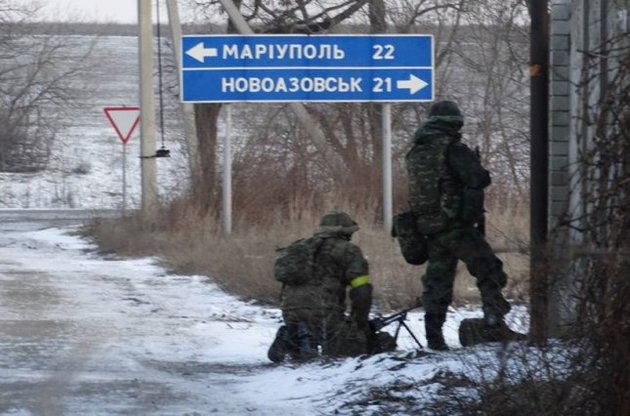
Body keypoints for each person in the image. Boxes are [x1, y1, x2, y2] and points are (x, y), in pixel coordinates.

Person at [405, 100, 511, 350]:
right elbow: (478, 178)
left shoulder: (416, 152)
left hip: (429, 228)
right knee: (488, 269)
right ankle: (493, 323)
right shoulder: (453, 149)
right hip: (455, 226)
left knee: (437, 282)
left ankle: (434, 338)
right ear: (453, 124)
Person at [268, 210, 374, 361]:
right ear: (346, 232)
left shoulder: (302, 246)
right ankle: (307, 339)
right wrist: (360, 324)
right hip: (324, 312)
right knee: (352, 349)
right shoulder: (349, 250)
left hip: (290, 311)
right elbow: (362, 291)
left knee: (301, 349)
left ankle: (291, 335)